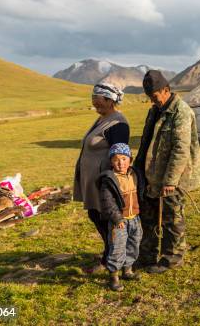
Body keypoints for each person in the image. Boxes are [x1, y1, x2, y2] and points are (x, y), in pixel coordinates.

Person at [133, 70, 200, 273]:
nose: (152, 101)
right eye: (149, 97)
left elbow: (180, 149)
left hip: (174, 177)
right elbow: (146, 142)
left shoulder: (181, 112)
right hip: (151, 174)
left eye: (155, 96)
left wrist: (171, 181)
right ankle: (146, 256)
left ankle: (171, 259)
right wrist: (138, 169)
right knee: (148, 217)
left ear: (166, 90)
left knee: (171, 218)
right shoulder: (154, 111)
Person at [73, 83, 130, 274]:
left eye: (98, 101)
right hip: (93, 179)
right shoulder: (102, 119)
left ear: (109, 100)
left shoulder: (118, 123)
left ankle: (112, 257)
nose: (95, 104)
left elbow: (120, 156)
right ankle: (111, 253)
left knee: (106, 218)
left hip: (104, 181)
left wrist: (112, 181)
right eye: (93, 101)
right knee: (95, 214)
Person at [98, 143, 144, 291]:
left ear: (130, 159)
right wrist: (117, 219)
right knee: (117, 248)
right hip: (119, 222)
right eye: (116, 159)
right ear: (111, 161)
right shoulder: (109, 179)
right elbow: (107, 202)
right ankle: (114, 277)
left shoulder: (135, 174)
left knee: (134, 244)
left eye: (124, 158)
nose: (120, 163)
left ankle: (128, 270)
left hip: (135, 218)